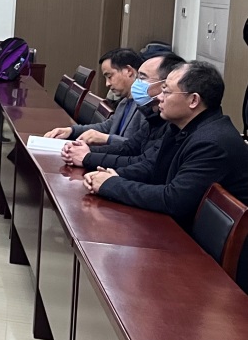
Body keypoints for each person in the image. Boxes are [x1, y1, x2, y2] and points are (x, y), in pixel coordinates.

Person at [84, 62, 248, 229]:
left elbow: (174, 200)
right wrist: (111, 176)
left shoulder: (212, 143)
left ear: (193, 100)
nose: (159, 97)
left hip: (195, 240)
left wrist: (112, 185)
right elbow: (152, 166)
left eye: (166, 92)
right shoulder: (180, 126)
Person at [63, 53, 185, 171]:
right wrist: (79, 143)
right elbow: (130, 146)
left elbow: (144, 163)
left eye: (142, 78)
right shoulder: (130, 104)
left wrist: (89, 157)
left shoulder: (157, 114)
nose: (107, 84)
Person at [44, 48, 145, 145]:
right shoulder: (124, 102)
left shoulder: (146, 107)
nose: (107, 84)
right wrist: (71, 131)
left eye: (110, 76)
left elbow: (140, 147)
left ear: (128, 71)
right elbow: (107, 126)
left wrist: (107, 139)